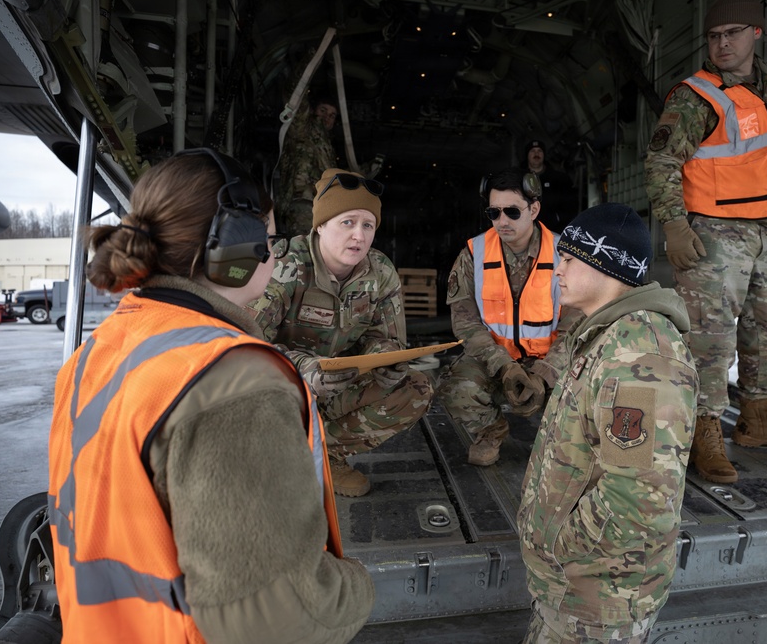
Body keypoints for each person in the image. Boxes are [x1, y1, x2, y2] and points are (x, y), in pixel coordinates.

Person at [48, 149, 374, 643]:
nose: (274, 252)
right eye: (267, 239)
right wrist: (358, 587)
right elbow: (280, 617)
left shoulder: (99, 351)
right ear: (235, 251)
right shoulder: (234, 385)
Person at [643, 0, 767, 484]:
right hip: (712, 235)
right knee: (712, 341)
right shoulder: (696, 96)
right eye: (713, 36)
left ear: (756, 33)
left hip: (765, 232)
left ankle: (757, 420)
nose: (721, 44)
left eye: (732, 33)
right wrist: (674, 224)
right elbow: (662, 160)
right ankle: (704, 430)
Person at [518, 203, 697, 643]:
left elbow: (636, 502)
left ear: (607, 265)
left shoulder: (640, 357)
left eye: (569, 259)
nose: (557, 270)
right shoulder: (611, 335)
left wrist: (561, 548)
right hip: (574, 592)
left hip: (596, 602)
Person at [251, 167, 433, 497]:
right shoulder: (284, 266)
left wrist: (387, 362)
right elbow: (246, 348)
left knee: (415, 388)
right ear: (320, 225)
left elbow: (386, 339)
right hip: (282, 391)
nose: (359, 236)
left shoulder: (381, 272)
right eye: (347, 222)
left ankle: (326, 456)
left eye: (368, 225)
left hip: (339, 386)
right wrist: (303, 370)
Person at [439, 167, 582, 467]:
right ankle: (491, 430)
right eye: (494, 212)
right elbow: (465, 321)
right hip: (494, 360)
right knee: (457, 390)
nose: (502, 221)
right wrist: (503, 367)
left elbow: (576, 325)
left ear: (534, 209)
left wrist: (544, 375)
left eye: (512, 212)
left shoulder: (564, 254)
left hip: (550, 362)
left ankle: (559, 433)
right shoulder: (474, 254)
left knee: (587, 395)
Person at [276, 94, 339, 236]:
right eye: (323, 110)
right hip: (302, 201)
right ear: (313, 110)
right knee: (302, 248)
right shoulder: (303, 129)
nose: (327, 117)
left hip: (319, 206)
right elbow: (296, 96)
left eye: (332, 115)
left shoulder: (326, 145)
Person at [525, 139, 577, 232]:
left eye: (539, 151)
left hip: (553, 231)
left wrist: (557, 218)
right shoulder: (519, 178)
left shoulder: (559, 178)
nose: (536, 154)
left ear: (544, 154)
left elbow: (571, 205)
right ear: (527, 155)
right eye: (533, 151)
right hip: (525, 231)